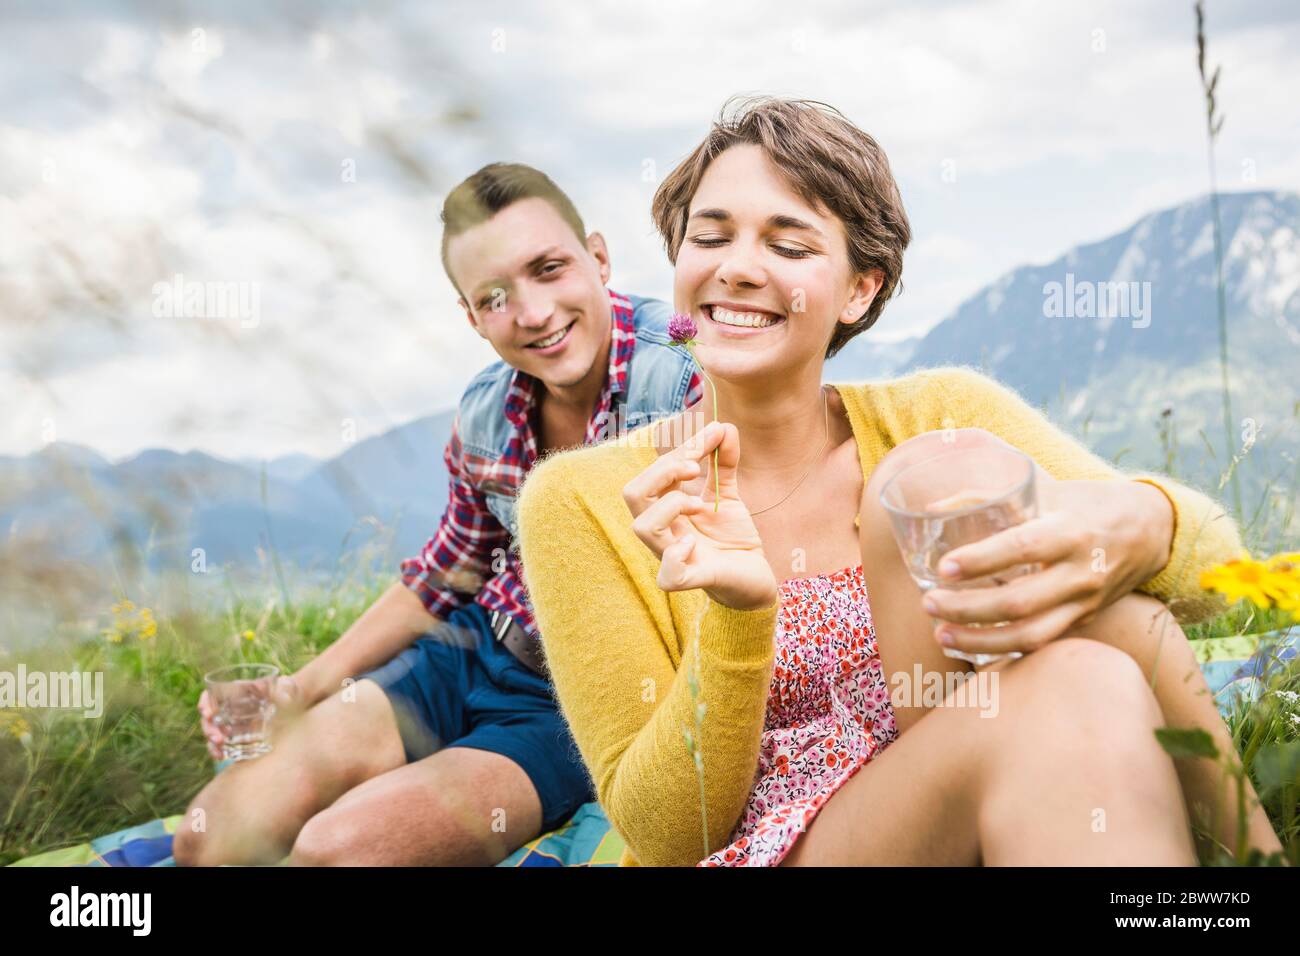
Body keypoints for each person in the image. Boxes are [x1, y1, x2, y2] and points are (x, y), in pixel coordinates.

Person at [515, 96, 1286, 866]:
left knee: (1111, 623)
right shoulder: (580, 500)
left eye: (789, 246)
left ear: (861, 289)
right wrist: (739, 614)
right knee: (1069, 653)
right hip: (774, 849)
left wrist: (1138, 526)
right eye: (709, 237)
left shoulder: (941, 415)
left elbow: (1216, 578)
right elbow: (667, 837)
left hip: (991, 785)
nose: (737, 268)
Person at [174, 163, 701, 866]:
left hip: (576, 701)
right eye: (495, 297)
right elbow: (447, 574)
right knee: (213, 835)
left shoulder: (688, 372)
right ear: (472, 316)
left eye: (549, 269)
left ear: (598, 258)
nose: (535, 313)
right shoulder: (485, 409)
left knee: (333, 853)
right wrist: (297, 689)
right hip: (468, 650)